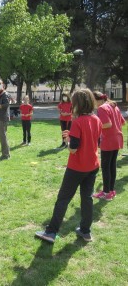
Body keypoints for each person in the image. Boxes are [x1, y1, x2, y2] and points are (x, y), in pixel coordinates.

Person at [35, 89, 102, 243]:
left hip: (77, 168)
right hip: (92, 166)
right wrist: (71, 135)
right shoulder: (96, 119)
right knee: (87, 198)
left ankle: (50, 232)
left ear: (78, 103)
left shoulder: (78, 122)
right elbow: (96, 142)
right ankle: (86, 231)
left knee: (63, 199)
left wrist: (67, 140)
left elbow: (73, 148)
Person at [92, 91, 125, 201]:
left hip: (108, 140)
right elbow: (122, 122)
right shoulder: (113, 106)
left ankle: (106, 192)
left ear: (98, 99)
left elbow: (107, 124)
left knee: (106, 167)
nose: (93, 104)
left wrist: (95, 125)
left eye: (93, 101)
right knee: (112, 166)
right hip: (117, 139)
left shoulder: (102, 108)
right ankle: (110, 190)